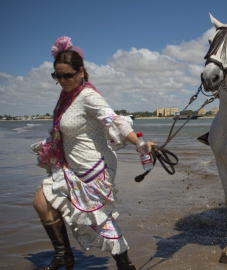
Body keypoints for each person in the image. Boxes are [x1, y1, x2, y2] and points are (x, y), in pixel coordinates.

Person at [31, 36, 154, 270]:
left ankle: (124, 264)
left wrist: (139, 143)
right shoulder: (67, 97)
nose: (62, 80)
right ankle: (63, 255)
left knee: (99, 221)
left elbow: (114, 121)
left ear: (80, 72)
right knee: (41, 201)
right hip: (71, 164)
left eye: (67, 75)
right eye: (57, 76)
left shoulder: (88, 96)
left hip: (93, 167)